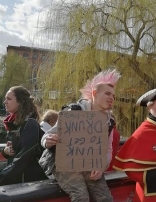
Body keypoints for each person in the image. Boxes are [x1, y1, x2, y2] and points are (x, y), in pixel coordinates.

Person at [40, 69, 121, 202]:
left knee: (105, 198)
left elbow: (108, 150)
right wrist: (48, 141)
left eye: (113, 96)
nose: (111, 98)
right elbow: (47, 135)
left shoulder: (109, 122)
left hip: (88, 163)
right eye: (107, 93)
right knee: (81, 196)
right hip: (63, 162)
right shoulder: (74, 111)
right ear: (94, 93)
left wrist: (101, 166)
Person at [0, 86, 47, 185]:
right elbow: (15, 152)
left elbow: (22, 159)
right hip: (16, 179)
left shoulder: (30, 125)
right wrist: (5, 152)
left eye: (9, 99)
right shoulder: (14, 124)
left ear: (20, 102)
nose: (5, 102)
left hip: (27, 182)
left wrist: (2, 178)